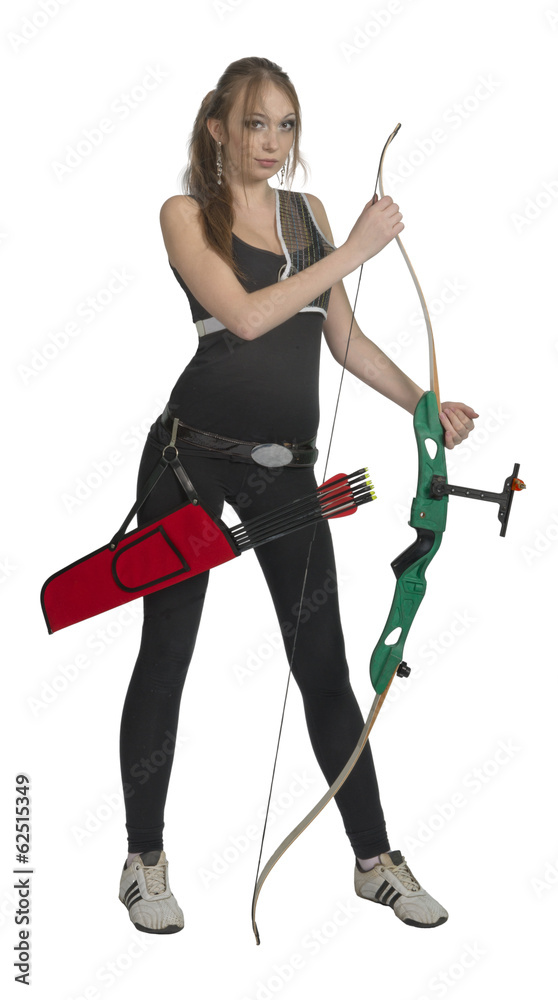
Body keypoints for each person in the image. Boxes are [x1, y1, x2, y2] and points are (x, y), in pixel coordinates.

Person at [118, 56, 478, 935]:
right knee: (168, 655)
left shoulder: (307, 215)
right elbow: (246, 319)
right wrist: (354, 251)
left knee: (323, 663)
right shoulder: (183, 214)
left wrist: (424, 404)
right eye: (255, 123)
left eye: (285, 125)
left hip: (284, 470)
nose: (272, 142)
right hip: (188, 462)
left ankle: (374, 861)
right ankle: (143, 860)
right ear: (217, 127)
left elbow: (342, 339)